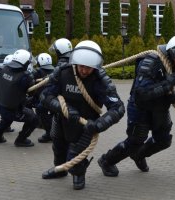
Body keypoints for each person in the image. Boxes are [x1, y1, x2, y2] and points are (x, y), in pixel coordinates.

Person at [97, 34, 175, 177]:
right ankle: (106, 160)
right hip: (140, 108)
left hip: (160, 108)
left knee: (163, 140)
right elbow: (142, 93)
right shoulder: (151, 62)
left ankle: (138, 156)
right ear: (171, 52)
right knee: (135, 140)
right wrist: (167, 85)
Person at [40, 40, 125, 190]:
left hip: (86, 124)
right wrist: (62, 108)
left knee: (76, 155)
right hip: (62, 118)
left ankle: (78, 174)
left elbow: (118, 108)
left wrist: (100, 124)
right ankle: (60, 170)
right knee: (58, 147)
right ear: (76, 62)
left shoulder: (100, 81)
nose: (85, 71)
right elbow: (45, 96)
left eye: (89, 68)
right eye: (82, 66)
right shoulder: (62, 72)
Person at [0, 49, 39, 147]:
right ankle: (21, 139)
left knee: (6, 119)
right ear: (24, 62)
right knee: (34, 119)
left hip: (1, 105)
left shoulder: (4, 69)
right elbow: (32, 92)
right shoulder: (25, 77)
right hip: (13, 109)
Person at [37, 38, 73, 143]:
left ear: (59, 52)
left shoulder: (62, 63)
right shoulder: (72, 59)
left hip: (62, 94)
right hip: (67, 93)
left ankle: (49, 133)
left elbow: (55, 81)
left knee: (40, 107)